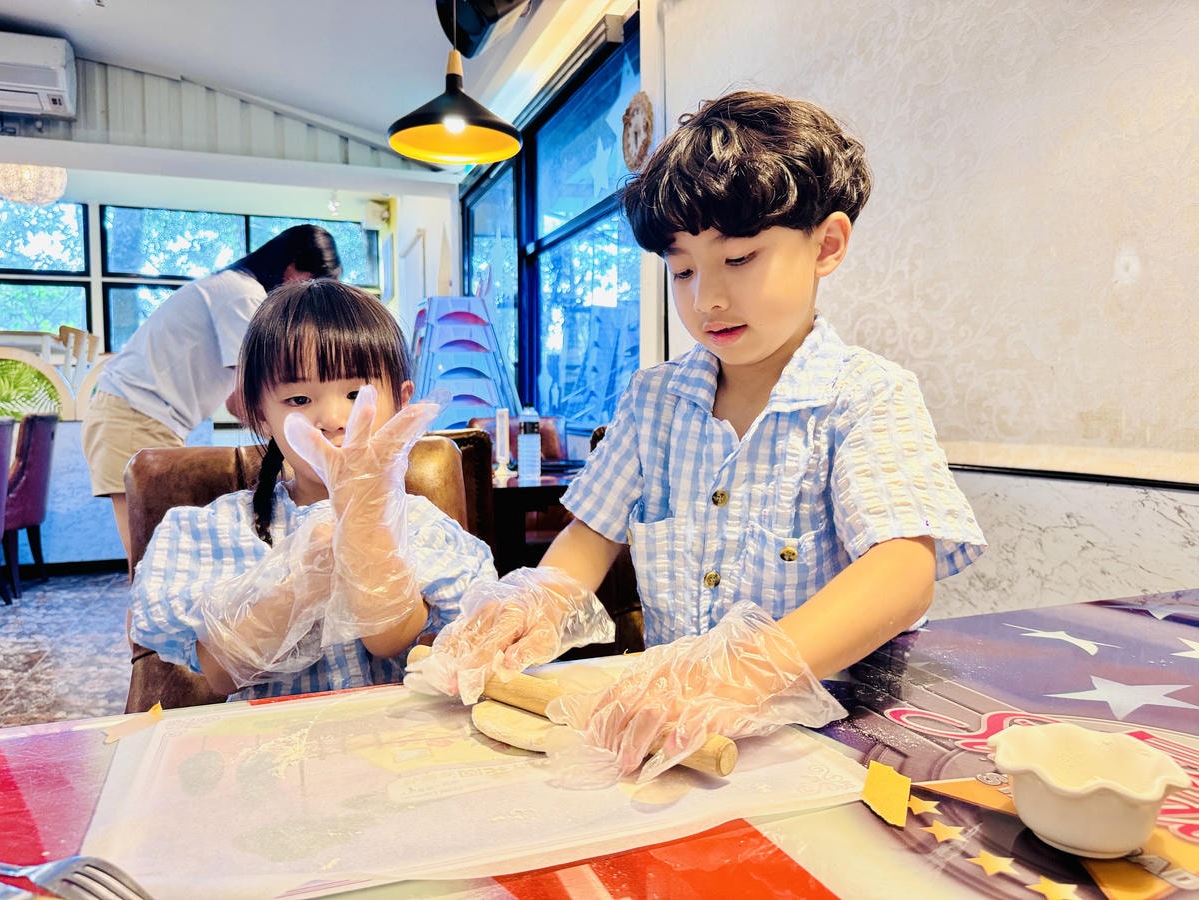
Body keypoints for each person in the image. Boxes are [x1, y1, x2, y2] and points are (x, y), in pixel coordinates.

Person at [409, 91, 986, 782]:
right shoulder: (655, 401)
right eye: (682, 269)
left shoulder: (864, 396)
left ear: (826, 245)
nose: (706, 298)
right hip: (675, 746)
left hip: (831, 744)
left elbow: (901, 574)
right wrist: (536, 600)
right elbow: (588, 539)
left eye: (738, 259)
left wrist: (741, 673)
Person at [128, 279, 496, 700]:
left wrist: (366, 532)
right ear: (260, 413)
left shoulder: (421, 525)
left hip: (392, 747)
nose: (334, 418)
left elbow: (390, 640)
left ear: (401, 401)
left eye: (357, 393)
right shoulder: (217, 530)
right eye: (299, 399)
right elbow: (224, 673)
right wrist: (301, 576)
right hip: (270, 750)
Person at [82, 224, 343, 571]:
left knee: (155, 557)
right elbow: (245, 399)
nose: (307, 296)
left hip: (137, 415)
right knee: (152, 562)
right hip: (132, 417)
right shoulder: (242, 295)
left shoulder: (233, 288)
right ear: (291, 266)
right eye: (312, 281)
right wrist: (297, 448)